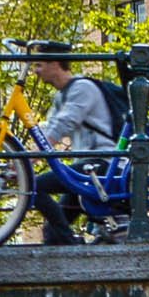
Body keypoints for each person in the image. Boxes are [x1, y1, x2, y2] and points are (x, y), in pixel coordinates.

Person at [29, 58, 116, 245]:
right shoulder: (62, 96)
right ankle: (72, 247)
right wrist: (19, 161)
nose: (35, 71)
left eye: (39, 65)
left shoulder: (83, 88)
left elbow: (63, 124)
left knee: (34, 187)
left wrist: (29, 160)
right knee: (52, 234)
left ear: (55, 63)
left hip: (103, 164)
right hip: (86, 167)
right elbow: (49, 129)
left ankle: (72, 244)